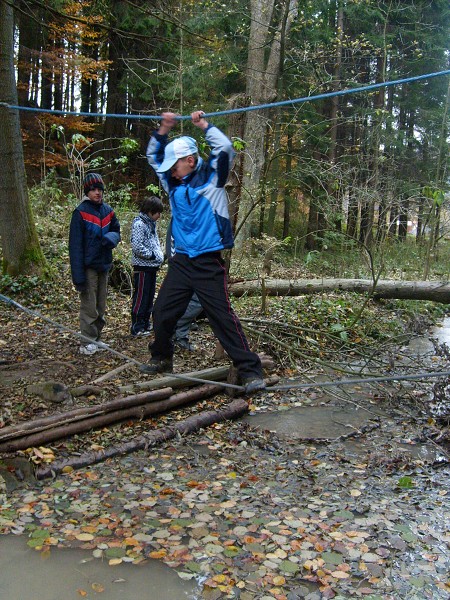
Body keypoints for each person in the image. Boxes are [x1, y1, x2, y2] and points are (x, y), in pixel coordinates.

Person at [144, 110, 265, 393]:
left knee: (221, 317)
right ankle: (162, 356)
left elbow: (224, 149)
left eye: (176, 166)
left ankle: (250, 370)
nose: (171, 171)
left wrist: (203, 125)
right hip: (183, 260)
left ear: (190, 160)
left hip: (209, 261)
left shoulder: (213, 178)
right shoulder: (172, 182)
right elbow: (153, 157)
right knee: (162, 311)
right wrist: (164, 128)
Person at [69, 172, 121, 355]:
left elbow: (117, 229)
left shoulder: (108, 211)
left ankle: (97, 338)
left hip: (104, 265)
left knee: (101, 305)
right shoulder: (80, 213)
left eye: (100, 189)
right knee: (89, 306)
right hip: (87, 267)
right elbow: (75, 247)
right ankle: (87, 341)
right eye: (93, 190)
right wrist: (78, 277)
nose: (97, 193)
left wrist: (111, 238)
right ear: (87, 191)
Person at [130, 196, 164, 336]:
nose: (159, 216)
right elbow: (137, 246)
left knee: (149, 296)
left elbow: (153, 242)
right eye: (158, 213)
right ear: (150, 211)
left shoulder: (150, 224)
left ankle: (145, 323)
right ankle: (137, 326)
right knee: (141, 297)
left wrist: (159, 256)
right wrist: (151, 255)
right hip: (142, 267)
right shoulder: (139, 224)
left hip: (152, 267)